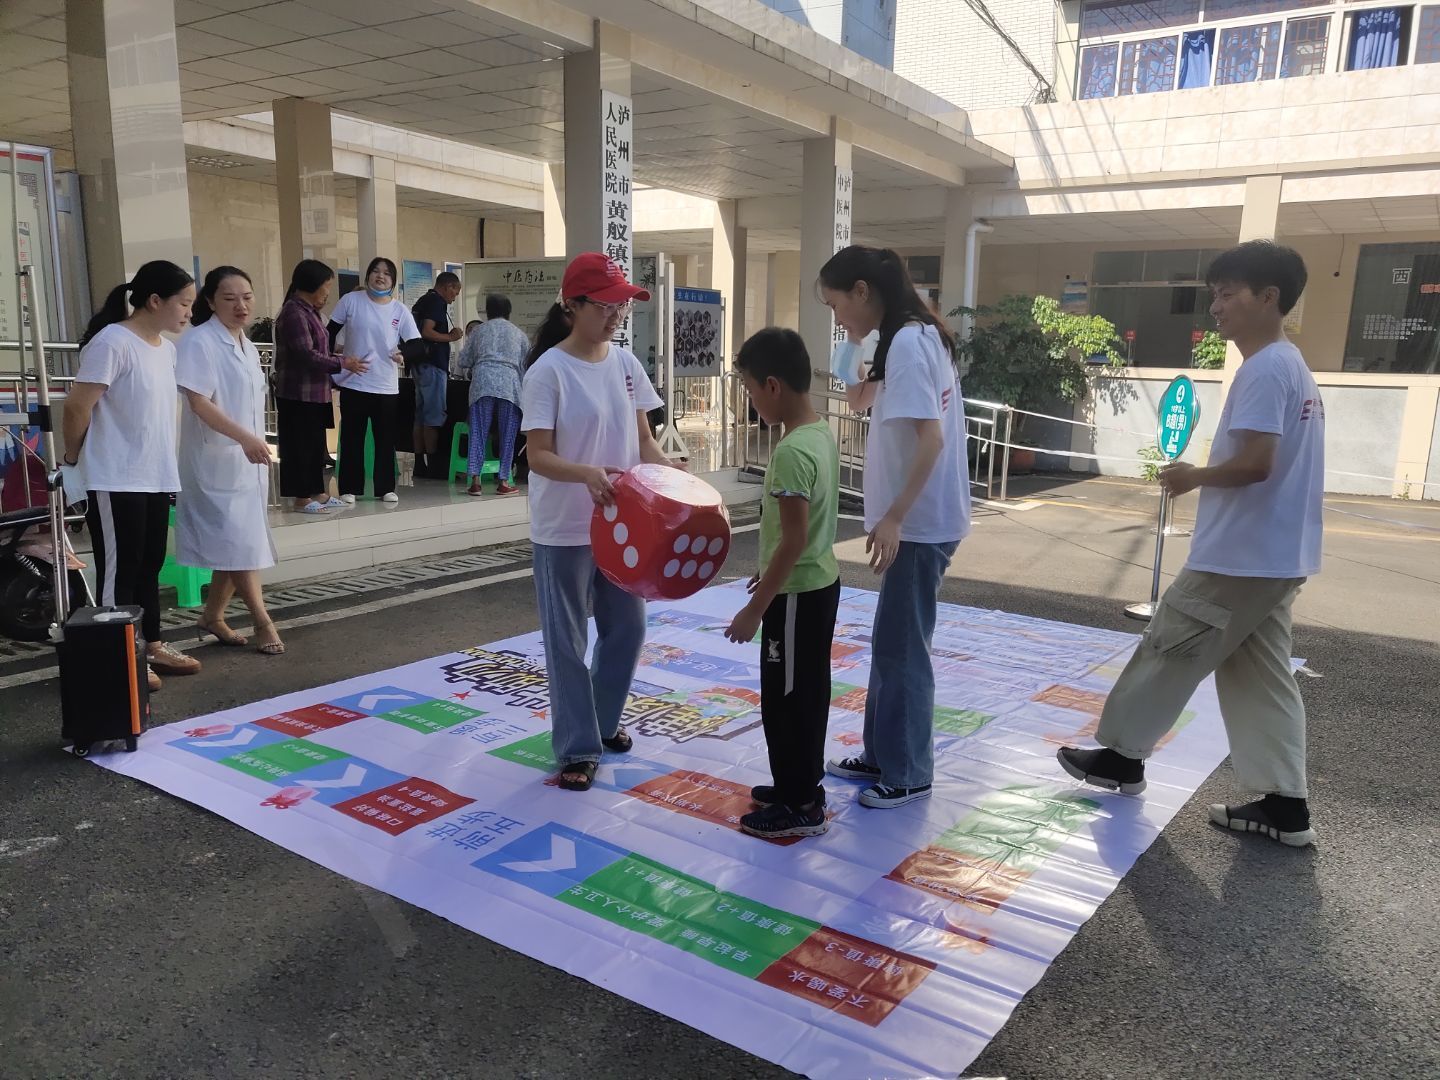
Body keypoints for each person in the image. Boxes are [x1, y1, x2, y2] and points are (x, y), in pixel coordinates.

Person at [1060, 241, 1323, 847]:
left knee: (1169, 646)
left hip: (1241, 555)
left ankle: (1121, 757)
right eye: (1214, 296)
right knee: (1261, 675)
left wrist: (1192, 476)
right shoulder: (1291, 365)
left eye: (1227, 295)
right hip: (1275, 555)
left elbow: (1256, 463)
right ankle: (1285, 805)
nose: (1216, 308)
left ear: (1269, 298)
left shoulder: (1265, 369)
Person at [819, 245, 969, 809]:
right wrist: (850, 347)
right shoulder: (908, 336)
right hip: (919, 521)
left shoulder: (908, 342)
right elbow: (860, 399)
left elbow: (931, 439)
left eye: (837, 305)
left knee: (903, 651)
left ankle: (908, 772)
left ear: (862, 291)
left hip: (920, 524)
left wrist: (895, 518)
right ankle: (883, 755)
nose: (837, 317)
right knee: (891, 645)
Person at [521, 253, 669, 792]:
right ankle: (578, 747)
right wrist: (585, 474)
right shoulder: (548, 371)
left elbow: (644, 439)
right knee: (567, 641)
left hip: (622, 525)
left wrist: (668, 472)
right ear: (572, 306)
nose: (616, 315)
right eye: (605, 306)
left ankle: (603, 723)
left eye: (621, 306)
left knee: (628, 628)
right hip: (564, 528)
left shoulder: (626, 365)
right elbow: (538, 455)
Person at [62, 260, 202, 691]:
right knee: (119, 571)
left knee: (149, 564)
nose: (189, 313)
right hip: (114, 476)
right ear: (155, 300)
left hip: (155, 475)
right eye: (184, 303)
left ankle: (150, 644)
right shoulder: (112, 342)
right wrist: (73, 461)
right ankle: (118, 654)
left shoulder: (166, 349)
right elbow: (77, 407)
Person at [724, 328, 840, 839]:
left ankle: (799, 804)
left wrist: (756, 609)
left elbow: (793, 540)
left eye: (750, 390)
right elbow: (800, 534)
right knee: (807, 690)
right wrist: (767, 571)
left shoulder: (792, 451)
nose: (751, 401)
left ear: (772, 385)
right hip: (816, 584)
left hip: (795, 595)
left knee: (786, 698)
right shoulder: (820, 433)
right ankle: (801, 785)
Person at [173, 266, 285, 657]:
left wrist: (253, 441)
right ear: (210, 301)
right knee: (239, 541)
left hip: (246, 458)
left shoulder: (248, 346)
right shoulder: (198, 342)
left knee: (236, 540)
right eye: (229, 298)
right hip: (215, 459)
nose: (241, 306)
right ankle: (262, 620)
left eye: (247, 297)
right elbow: (198, 402)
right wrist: (245, 438)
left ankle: (212, 616)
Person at [272, 259, 367, 513]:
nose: (327, 293)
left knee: (315, 445)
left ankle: (318, 492)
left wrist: (339, 361)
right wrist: (343, 363)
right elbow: (306, 354)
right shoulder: (294, 312)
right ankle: (302, 497)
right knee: (300, 446)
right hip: (298, 393)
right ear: (312, 284)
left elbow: (320, 350)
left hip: (316, 392)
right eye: (326, 286)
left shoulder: (310, 311)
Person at [328, 257, 419, 505]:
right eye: (376, 271)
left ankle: (385, 488)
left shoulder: (400, 310)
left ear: (393, 281)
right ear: (368, 275)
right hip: (354, 382)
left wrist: (403, 354)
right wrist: (332, 362)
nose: (381, 276)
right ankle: (349, 488)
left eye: (387, 273)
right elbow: (329, 332)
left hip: (385, 386)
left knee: (385, 439)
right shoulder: (351, 301)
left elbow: (417, 345)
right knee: (352, 438)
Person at [457, 293, 528, 496]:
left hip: (482, 383)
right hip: (509, 385)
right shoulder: (519, 334)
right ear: (509, 311)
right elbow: (526, 365)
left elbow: (463, 360)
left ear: (487, 312)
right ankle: (504, 481)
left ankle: (475, 481)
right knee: (508, 433)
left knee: (478, 431)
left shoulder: (478, 331)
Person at [409, 271, 463, 472]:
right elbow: (427, 331)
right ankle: (433, 465)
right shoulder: (436, 302)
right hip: (432, 365)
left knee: (421, 416)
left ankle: (419, 463)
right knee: (433, 415)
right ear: (448, 286)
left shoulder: (423, 300)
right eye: (455, 292)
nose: (454, 297)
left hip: (419, 364)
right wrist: (451, 337)